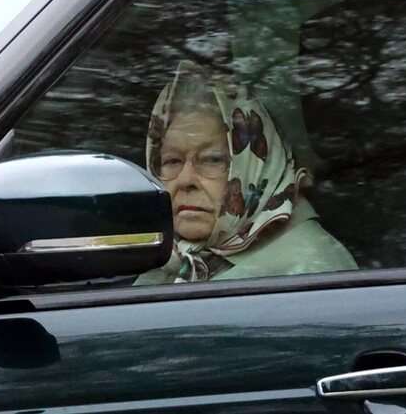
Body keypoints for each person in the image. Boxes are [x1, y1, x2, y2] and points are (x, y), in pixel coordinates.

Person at [135, 61, 356, 285]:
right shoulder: (167, 260)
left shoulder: (311, 270)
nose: (185, 180)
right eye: (172, 161)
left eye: (212, 160)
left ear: (258, 168)